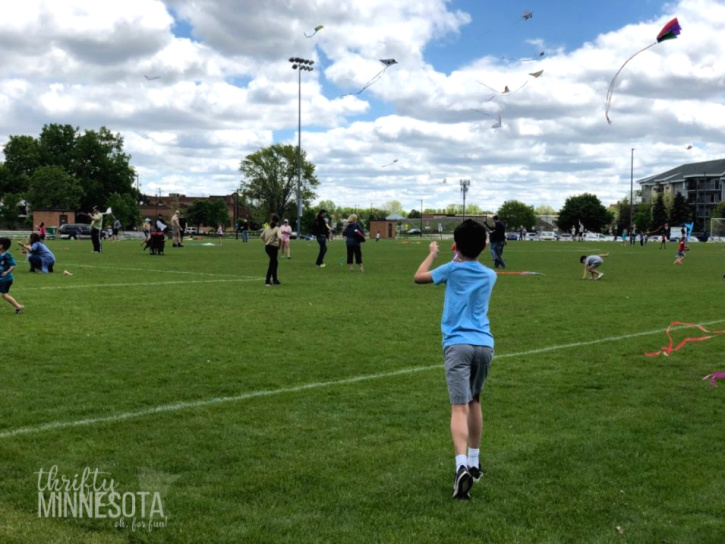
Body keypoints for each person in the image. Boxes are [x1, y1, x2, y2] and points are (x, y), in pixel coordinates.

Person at [414, 220, 496, 500]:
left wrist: (434, 253)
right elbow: (470, 265)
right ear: (484, 245)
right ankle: (475, 462)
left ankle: (461, 465)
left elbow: (419, 276)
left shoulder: (451, 269)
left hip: (457, 345)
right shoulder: (489, 275)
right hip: (484, 345)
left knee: (458, 407)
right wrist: (461, 255)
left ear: (456, 245)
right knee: (475, 401)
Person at [0, 238, 24, 314]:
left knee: (4, 295)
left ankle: (18, 306)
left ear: (1, 246)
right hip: (2, 278)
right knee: (4, 295)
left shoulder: (7, 255)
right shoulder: (1, 253)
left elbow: (13, 265)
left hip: (6, 279)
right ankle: (18, 307)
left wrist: (7, 272)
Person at [260, 214, 281, 286]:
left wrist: (266, 241)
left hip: (267, 247)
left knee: (275, 262)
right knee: (272, 263)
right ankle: (267, 280)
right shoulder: (277, 229)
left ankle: (275, 280)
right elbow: (280, 237)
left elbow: (261, 236)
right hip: (273, 247)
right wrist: (279, 245)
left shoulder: (267, 228)